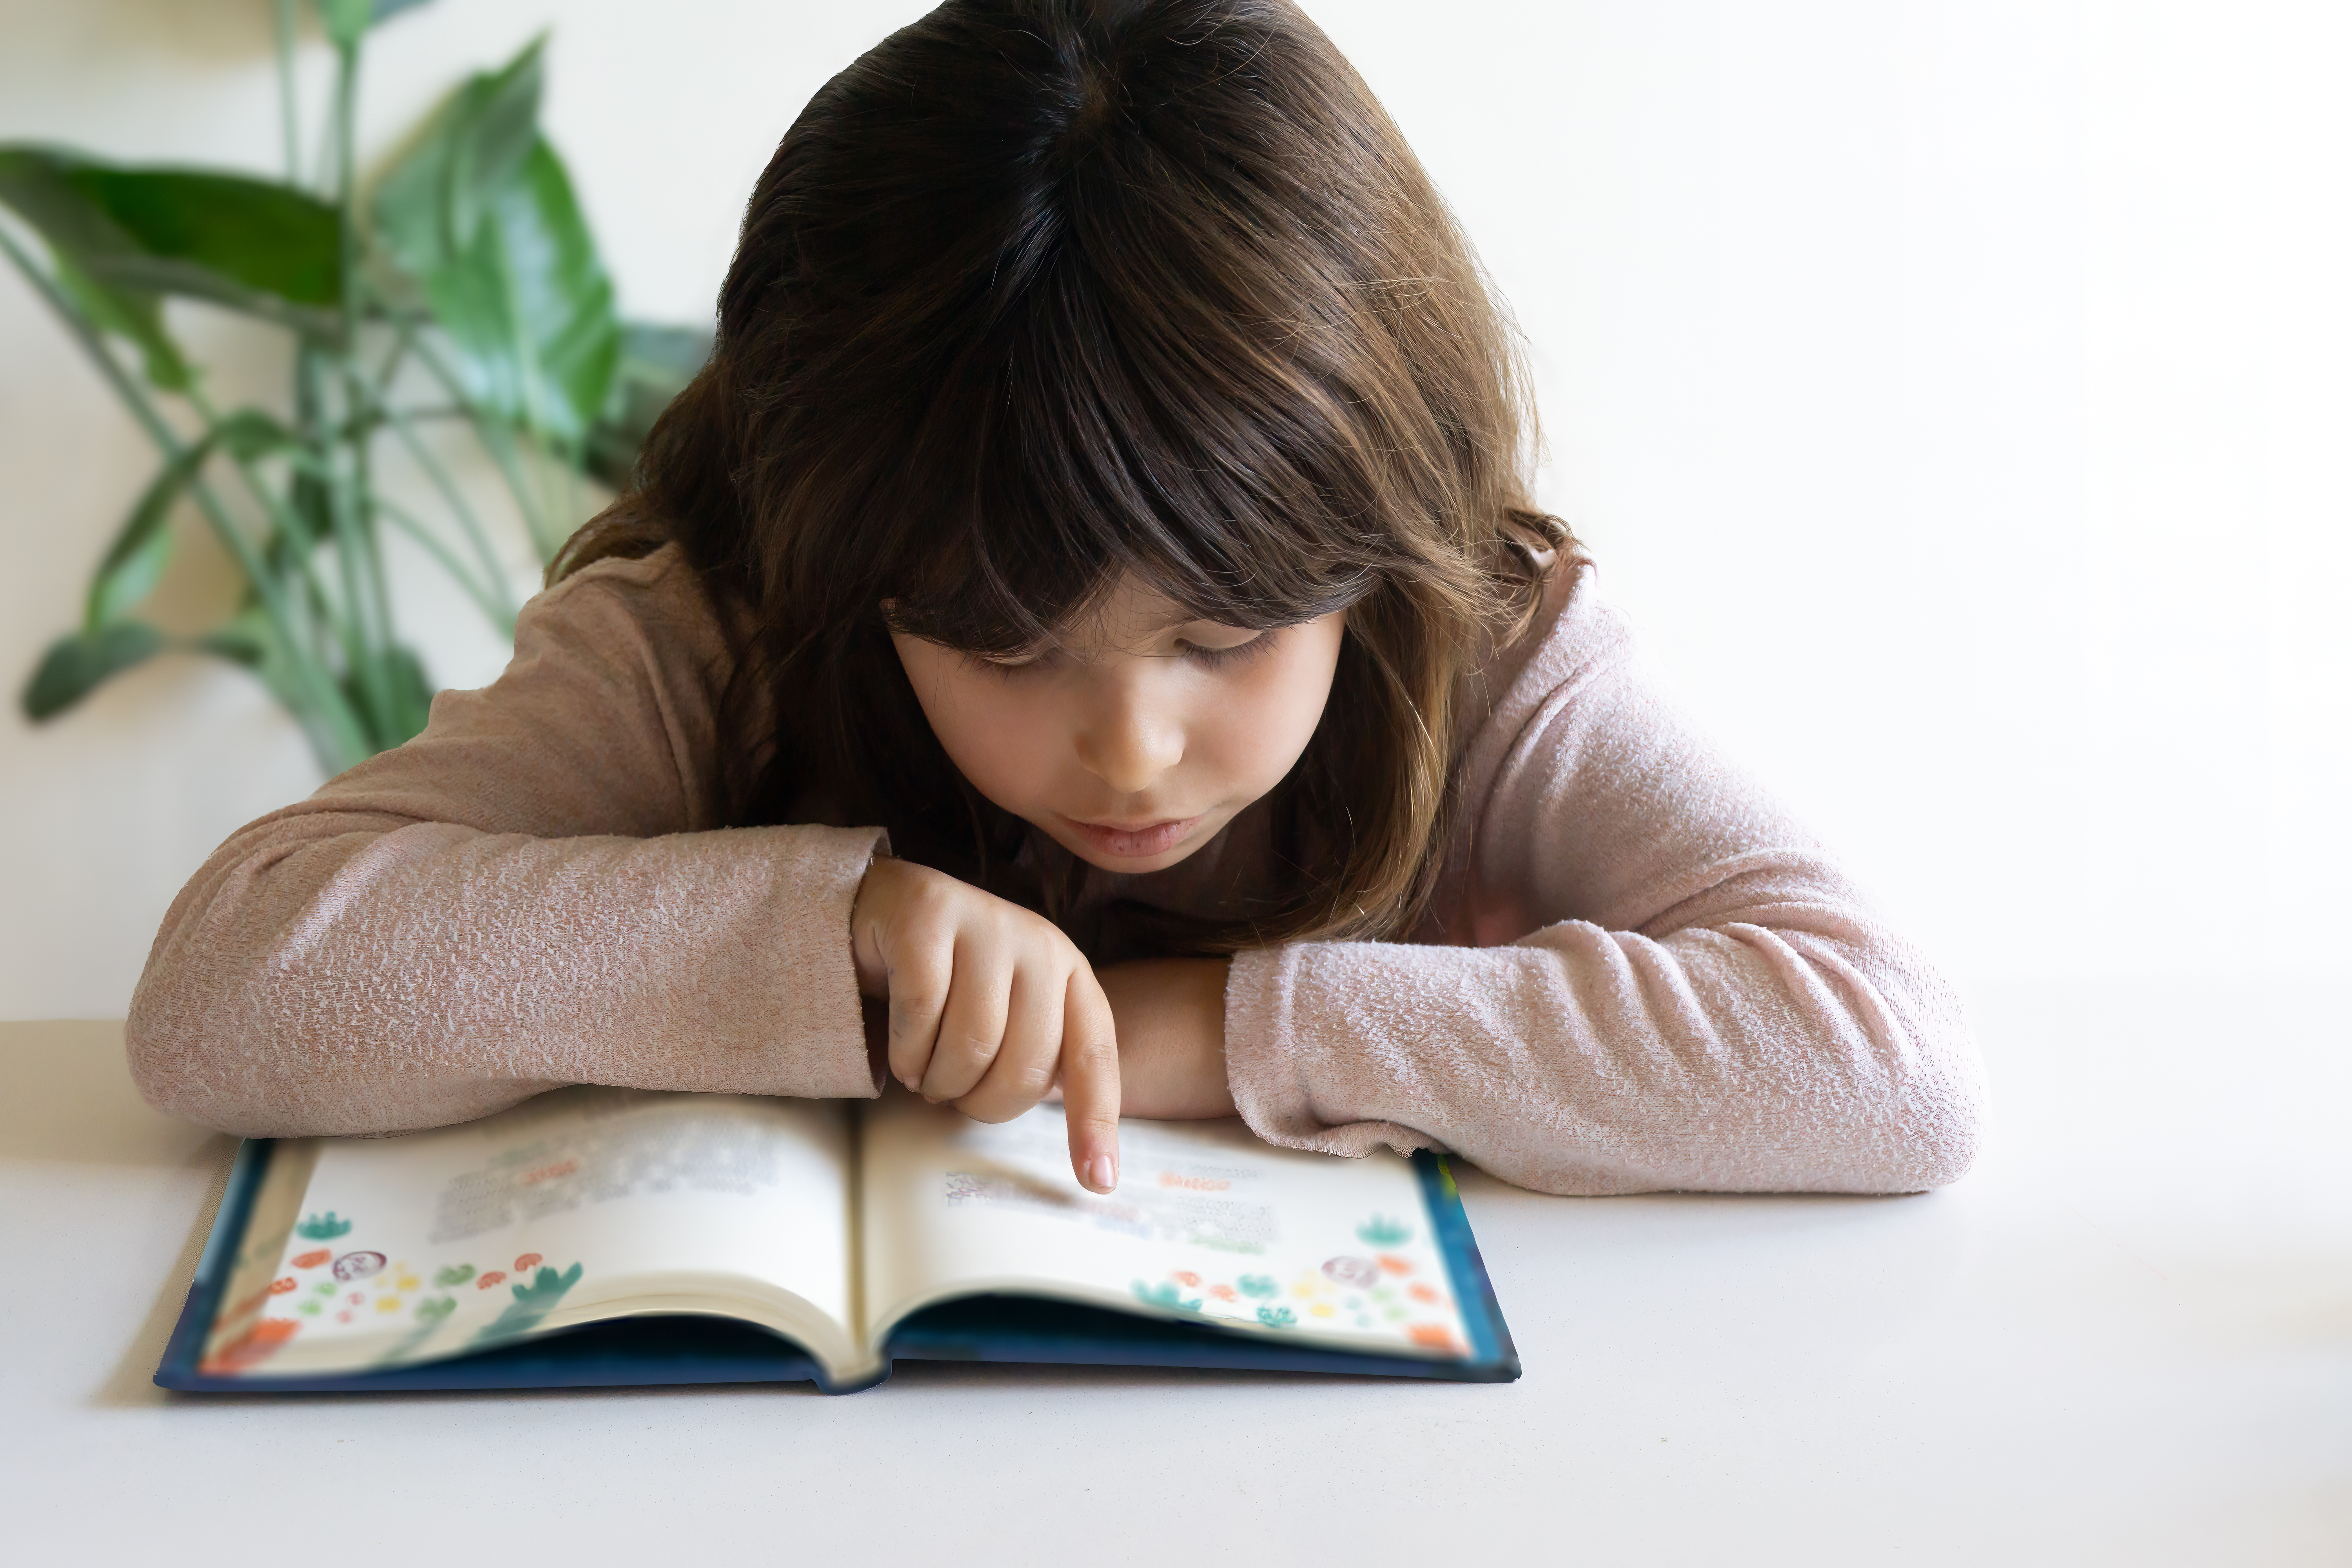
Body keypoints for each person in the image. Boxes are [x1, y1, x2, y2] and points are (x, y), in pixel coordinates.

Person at [126, 0, 1984, 1200]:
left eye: (1226, 633)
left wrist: (1196, 1022)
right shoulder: (734, 621)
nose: (1132, 742)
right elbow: (227, 990)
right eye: (1007, 645)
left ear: (1371, 520)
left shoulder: (1482, 650)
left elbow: (1884, 1064)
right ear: (854, 569)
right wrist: (839, 935)